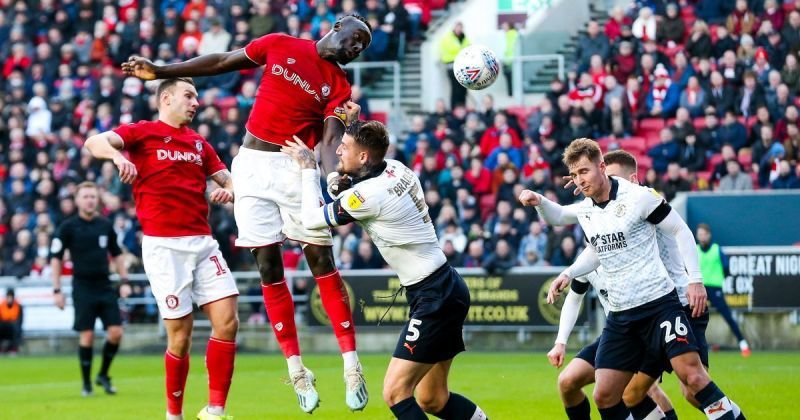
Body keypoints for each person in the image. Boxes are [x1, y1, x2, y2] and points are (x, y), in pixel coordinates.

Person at [122, 15, 373, 413]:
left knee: (320, 257)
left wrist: (333, 177)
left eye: (362, 48)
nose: (356, 48)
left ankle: (351, 365)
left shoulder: (340, 85)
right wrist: (161, 71)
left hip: (296, 167)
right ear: (337, 26)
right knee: (268, 266)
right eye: (355, 38)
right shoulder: (280, 44)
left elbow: (328, 141)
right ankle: (296, 369)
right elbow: (222, 62)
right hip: (252, 165)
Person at [519, 139, 744, 420]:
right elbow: (565, 220)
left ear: (602, 167)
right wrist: (539, 201)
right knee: (607, 395)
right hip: (622, 316)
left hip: (660, 305)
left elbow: (681, 230)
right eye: (575, 175)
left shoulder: (639, 197)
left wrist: (695, 281)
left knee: (693, 382)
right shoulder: (587, 210)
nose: (580, 180)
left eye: (585, 172)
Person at [281, 119, 488, 420]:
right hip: (446, 286)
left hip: (434, 297)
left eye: (346, 146)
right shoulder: (396, 168)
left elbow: (312, 219)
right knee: (433, 399)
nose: (338, 149)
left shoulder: (368, 196)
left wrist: (309, 169)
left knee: (395, 393)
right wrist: (346, 180)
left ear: (364, 156)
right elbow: (364, 184)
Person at [84, 77, 239, 420]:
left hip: (202, 242)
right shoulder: (142, 132)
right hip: (164, 248)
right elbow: (94, 141)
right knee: (180, 336)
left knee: (227, 321)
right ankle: (174, 414)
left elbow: (228, 178)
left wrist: (230, 190)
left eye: (196, 96)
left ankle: (216, 410)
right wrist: (116, 157)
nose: (196, 102)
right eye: (189, 95)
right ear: (166, 98)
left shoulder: (200, 143)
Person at [50, 181, 128, 397]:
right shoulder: (67, 227)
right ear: (77, 201)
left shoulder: (104, 225)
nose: (90, 200)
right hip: (82, 287)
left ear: (98, 199)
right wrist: (57, 290)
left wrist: (124, 281)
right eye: (85, 196)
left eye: (93, 196)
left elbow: (117, 253)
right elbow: (55, 259)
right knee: (87, 336)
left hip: (105, 285)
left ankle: (103, 374)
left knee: (116, 332)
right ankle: (86, 384)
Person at [696, 224, 752, 357]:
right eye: (700, 234)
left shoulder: (716, 249)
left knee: (728, 316)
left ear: (709, 235)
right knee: (693, 316)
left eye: (704, 234)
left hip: (715, 288)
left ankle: (743, 344)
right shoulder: (695, 249)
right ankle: (693, 346)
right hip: (700, 288)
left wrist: (720, 279)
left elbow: (727, 267)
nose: (702, 237)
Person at [440, 22, 470, 108]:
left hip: (463, 68)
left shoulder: (464, 38)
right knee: (455, 89)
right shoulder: (448, 38)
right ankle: (454, 108)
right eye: (457, 27)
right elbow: (445, 53)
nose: (459, 29)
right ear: (454, 28)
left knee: (463, 90)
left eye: (460, 28)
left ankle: (462, 108)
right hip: (452, 66)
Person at [0, 288, 23, 355]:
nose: (9, 298)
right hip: (3, 326)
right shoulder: (2, 305)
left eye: (11, 297)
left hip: (13, 326)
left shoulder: (18, 306)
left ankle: (14, 349)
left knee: (16, 328)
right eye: (8, 296)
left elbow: (20, 320)